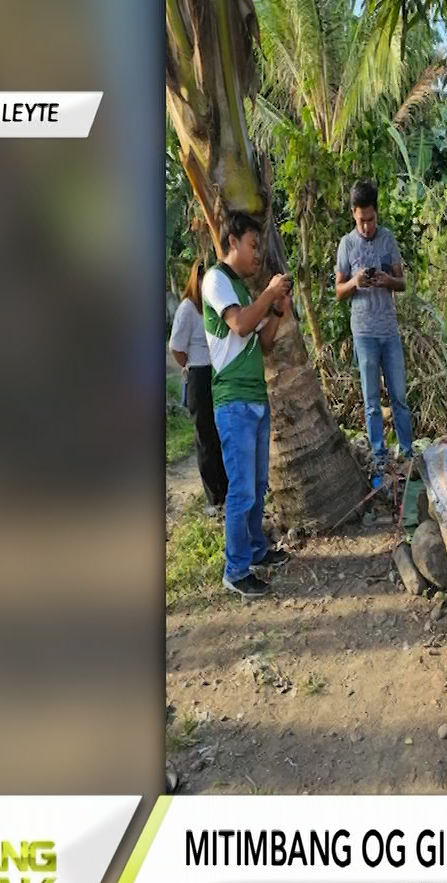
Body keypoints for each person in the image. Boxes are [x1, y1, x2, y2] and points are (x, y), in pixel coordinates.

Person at [203, 209, 294, 599]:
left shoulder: (241, 289)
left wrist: (276, 311)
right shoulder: (216, 280)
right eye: (253, 245)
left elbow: (264, 341)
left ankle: (256, 550)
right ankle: (236, 569)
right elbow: (239, 325)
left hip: (255, 397)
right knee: (242, 489)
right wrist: (270, 294)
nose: (258, 254)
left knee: (256, 485)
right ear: (232, 241)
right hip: (234, 400)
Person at [335, 178, 413, 472]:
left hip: (388, 330)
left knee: (399, 396)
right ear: (354, 214)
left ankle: (407, 452)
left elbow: (402, 282)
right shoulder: (346, 244)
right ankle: (379, 455)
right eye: (361, 220)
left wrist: (387, 280)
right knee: (371, 400)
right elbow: (338, 292)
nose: (367, 226)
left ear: (376, 214)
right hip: (364, 331)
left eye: (371, 219)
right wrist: (355, 281)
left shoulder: (388, 239)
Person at [169, 262, 228, 515]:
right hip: (198, 374)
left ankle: (226, 489)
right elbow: (176, 347)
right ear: (197, 280)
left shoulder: (215, 307)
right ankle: (214, 498)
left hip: (218, 374)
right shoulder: (187, 309)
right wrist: (191, 367)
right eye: (205, 280)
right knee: (205, 437)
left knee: (221, 433)